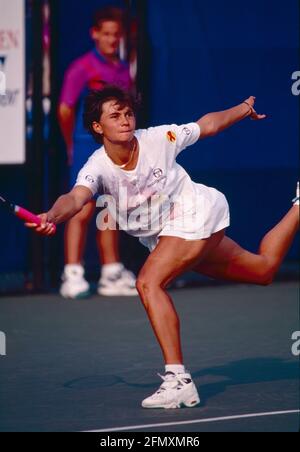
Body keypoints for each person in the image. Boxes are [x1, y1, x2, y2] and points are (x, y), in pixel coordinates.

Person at [27, 86, 299, 409]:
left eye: (128, 113)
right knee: (264, 269)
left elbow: (206, 126)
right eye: (115, 115)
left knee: (148, 282)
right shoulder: (96, 167)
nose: (125, 120)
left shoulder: (160, 138)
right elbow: (75, 198)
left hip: (195, 212)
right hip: (173, 235)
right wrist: (52, 216)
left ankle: (178, 379)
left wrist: (242, 108)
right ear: (98, 127)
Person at [58, 7, 137, 298]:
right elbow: (65, 110)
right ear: (94, 34)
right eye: (106, 34)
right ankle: (72, 274)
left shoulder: (123, 69)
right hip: (84, 145)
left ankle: (110, 272)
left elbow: (124, 114)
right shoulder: (81, 68)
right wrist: (72, 143)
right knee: (82, 207)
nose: (112, 40)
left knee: (110, 206)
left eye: (116, 34)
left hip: (113, 149)